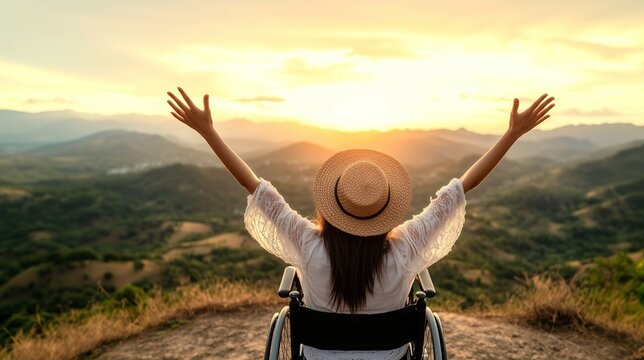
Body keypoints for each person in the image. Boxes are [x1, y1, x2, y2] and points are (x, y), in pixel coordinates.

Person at [166, 88, 555, 359]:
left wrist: (208, 132)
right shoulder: (406, 248)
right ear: (386, 208)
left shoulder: (307, 244)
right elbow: (461, 187)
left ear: (332, 203)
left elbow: (255, 187)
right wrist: (511, 134)